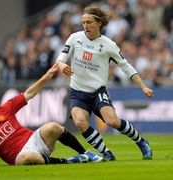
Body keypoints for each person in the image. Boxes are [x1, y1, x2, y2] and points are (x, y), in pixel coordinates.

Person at [56, 6, 153, 161]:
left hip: (97, 92)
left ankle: (141, 142)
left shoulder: (109, 45)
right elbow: (61, 58)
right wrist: (61, 65)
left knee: (112, 121)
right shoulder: (75, 38)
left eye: (89, 22)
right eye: (83, 22)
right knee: (80, 122)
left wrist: (143, 86)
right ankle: (107, 153)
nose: (85, 26)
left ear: (99, 23)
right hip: (78, 91)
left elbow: (126, 66)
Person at [0, 64, 103, 166]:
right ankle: (70, 161)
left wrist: (46, 77)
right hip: (19, 156)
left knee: (53, 126)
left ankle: (85, 153)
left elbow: (28, 94)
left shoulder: (4, 109)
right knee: (27, 157)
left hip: (34, 140)